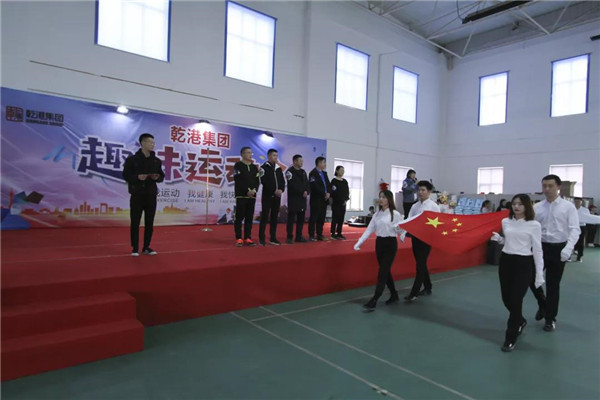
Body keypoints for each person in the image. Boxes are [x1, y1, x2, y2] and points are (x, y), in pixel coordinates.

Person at [490, 194, 544, 352]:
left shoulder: (534, 225)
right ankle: (520, 320)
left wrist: (539, 274)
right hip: (506, 261)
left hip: (524, 263)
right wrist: (500, 240)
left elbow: (538, 250)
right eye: (514, 204)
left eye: (520, 204)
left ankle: (510, 337)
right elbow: (509, 241)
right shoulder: (505, 221)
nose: (516, 207)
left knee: (516, 299)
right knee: (506, 299)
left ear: (527, 206)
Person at [529, 175, 580, 332]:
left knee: (553, 285)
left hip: (559, 249)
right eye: (544, 186)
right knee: (531, 278)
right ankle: (543, 303)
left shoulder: (568, 207)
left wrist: (568, 248)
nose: (547, 189)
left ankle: (550, 319)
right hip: (540, 248)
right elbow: (529, 227)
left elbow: (575, 229)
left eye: (550, 186)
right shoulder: (537, 207)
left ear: (558, 187)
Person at [354, 190, 403, 310]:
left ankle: (375, 298)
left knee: (382, 272)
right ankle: (394, 294)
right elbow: (369, 230)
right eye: (380, 197)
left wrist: (400, 232)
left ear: (389, 199)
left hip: (390, 244)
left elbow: (400, 230)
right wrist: (359, 242)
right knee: (385, 271)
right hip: (379, 244)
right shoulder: (376, 214)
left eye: (384, 197)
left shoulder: (395, 214)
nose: (381, 199)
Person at [122, 133, 164, 256]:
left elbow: (161, 176)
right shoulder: (132, 160)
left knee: (149, 222)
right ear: (143, 143)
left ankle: (146, 247)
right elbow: (126, 175)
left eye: (153, 143)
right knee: (135, 222)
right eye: (150, 142)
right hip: (137, 194)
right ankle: (135, 248)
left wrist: (157, 177)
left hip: (151, 195)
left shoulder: (156, 161)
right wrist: (137, 177)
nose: (152, 144)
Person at [401, 180, 440, 301]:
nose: (420, 192)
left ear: (429, 192)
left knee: (420, 265)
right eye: (419, 190)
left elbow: (438, 223)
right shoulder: (415, 206)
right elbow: (409, 220)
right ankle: (428, 286)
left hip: (426, 239)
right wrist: (403, 231)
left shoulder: (433, 206)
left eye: (423, 190)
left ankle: (414, 293)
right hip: (415, 238)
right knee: (421, 263)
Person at [233, 147, 260, 247]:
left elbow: (257, 181)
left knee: (249, 217)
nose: (250, 154)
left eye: (251, 153)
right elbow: (238, 180)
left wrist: (254, 190)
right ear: (242, 154)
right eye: (248, 153)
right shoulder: (238, 165)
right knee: (239, 217)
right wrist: (247, 191)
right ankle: (239, 238)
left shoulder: (254, 167)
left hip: (252, 196)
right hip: (241, 195)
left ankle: (248, 237)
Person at [259, 149, 285, 246]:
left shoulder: (278, 169)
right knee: (264, 217)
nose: (276, 157)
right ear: (269, 156)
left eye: (277, 155)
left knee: (274, 217)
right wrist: (274, 190)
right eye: (274, 155)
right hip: (267, 195)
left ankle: (273, 238)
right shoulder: (263, 167)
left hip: (277, 197)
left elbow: (282, 181)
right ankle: (262, 238)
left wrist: (281, 190)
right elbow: (264, 181)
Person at [285, 154, 310, 244]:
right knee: (291, 219)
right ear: (295, 161)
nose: (302, 162)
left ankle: (299, 236)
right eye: (300, 161)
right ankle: (289, 237)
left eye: (302, 161)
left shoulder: (303, 172)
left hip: (302, 199)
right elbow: (292, 185)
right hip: (293, 199)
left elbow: (307, 183)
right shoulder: (289, 172)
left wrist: (307, 191)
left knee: (301, 219)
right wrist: (302, 191)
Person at [308, 156, 331, 241]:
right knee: (314, 218)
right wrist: (324, 193)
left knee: (321, 218)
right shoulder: (312, 173)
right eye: (324, 162)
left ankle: (319, 234)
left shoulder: (324, 173)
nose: (325, 164)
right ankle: (311, 235)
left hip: (324, 200)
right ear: (319, 163)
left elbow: (328, 184)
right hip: (316, 199)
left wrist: (328, 193)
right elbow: (314, 186)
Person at [330, 166, 350, 240]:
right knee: (335, 218)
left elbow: (347, 192)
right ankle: (333, 233)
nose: (342, 172)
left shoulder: (345, 181)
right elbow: (332, 191)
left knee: (341, 218)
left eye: (343, 170)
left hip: (343, 203)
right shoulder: (334, 181)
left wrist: (345, 200)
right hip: (335, 202)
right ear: (337, 171)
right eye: (341, 170)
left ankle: (339, 233)